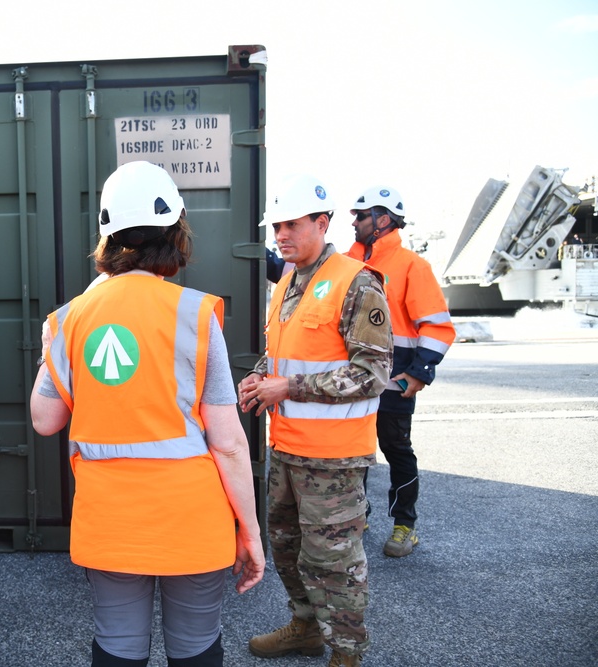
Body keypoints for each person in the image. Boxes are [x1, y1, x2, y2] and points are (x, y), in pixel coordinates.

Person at [31, 160, 265, 667]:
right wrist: (249, 531)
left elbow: (45, 419)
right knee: (196, 646)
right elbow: (228, 442)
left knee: (117, 645)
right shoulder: (196, 314)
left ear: (106, 237)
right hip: (192, 520)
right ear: (176, 232)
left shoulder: (68, 320)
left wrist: (52, 346)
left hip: (110, 520)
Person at [239, 175, 392, 667]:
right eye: (276, 226)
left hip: (333, 457)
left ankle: (347, 653)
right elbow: (285, 353)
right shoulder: (288, 279)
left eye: (291, 224)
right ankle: (305, 628)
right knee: (286, 548)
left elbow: (372, 374)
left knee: (334, 562)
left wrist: (289, 388)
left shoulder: (357, 281)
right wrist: (260, 376)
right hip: (287, 448)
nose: (280, 235)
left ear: (322, 224)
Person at [346, 186, 455, 557]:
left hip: (394, 383)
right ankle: (359, 514)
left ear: (383, 220)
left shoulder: (412, 266)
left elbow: (437, 326)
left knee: (396, 451)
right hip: (355, 381)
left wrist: (420, 373)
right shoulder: (347, 261)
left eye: (361, 215)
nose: (354, 221)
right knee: (353, 451)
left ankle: (404, 525)